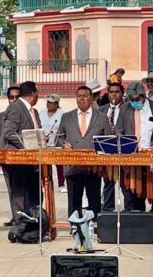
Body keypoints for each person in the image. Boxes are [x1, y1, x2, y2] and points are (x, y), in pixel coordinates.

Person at [57, 86, 111, 218]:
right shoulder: (66, 117)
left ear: (92, 98)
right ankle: (75, 226)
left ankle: (95, 226)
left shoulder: (102, 117)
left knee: (94, 201)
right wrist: (63, 144)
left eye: (85, 96)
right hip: (72, 166)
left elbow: (109, 140)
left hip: (94, 168)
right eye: (79, 96)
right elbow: (59, 138)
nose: (81, 98)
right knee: (74, 201)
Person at [116, 81, 153, 211]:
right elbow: (118, 130)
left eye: (137, 99)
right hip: (131, 158)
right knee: (132, 195)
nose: (135, 102)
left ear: (144, 96)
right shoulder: (124, 109)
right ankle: (135, 219)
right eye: (132, 99)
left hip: (152, 157)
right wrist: (125, 142)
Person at [1, 81, 41, 224]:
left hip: (32, 159)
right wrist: (27, 146)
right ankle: (19, 222)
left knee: (33, 189)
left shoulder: (33, 111)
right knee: (18, 190)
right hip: (16, 157)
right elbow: (8, 132)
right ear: (32, 94)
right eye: (37, 93)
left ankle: (33, 217)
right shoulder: (16, 108)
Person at [0, 85, 20, 227]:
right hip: (5, 157)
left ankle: (23, 216)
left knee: (22, 188)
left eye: (16, 97)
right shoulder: (2, 115)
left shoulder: (25, 113)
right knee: (11, 188)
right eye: (11, 97)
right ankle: (15, 216)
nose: (14, 100)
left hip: (21, 157)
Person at [98, 82, 124, 212]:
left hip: (123, 149)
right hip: (107, 149)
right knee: (108, 181)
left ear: (122, 94)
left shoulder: (128, 108)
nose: (114, 94)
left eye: (117, 92)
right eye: (111, 92)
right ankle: (108, 209)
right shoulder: (101, 109)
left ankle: (130, 211)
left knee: (126, 183)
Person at [39, 94, 66, 193]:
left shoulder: (62, 114)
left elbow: (63, 127)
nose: (49, 105)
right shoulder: (41, 113)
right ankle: (45, 183)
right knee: (44, 164)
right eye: (48, 102)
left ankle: (61, 184)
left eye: (52, 103)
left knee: (59, 164)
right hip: (44, 143)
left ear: (57, 104)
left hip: (56, 142)